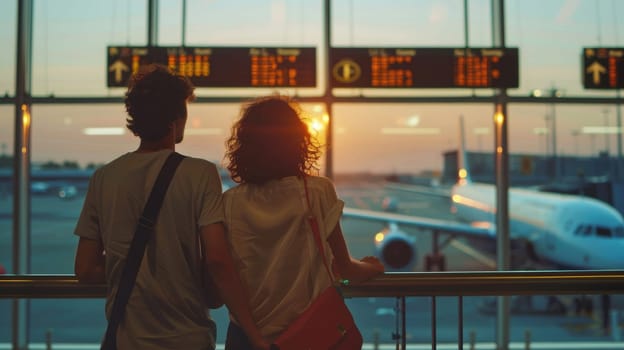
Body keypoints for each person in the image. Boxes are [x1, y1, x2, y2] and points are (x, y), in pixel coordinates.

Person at [73, 64, 269, 350]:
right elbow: (216, 260)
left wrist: (135, 269)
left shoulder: (104, 177)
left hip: (127, 340)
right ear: (175, 120)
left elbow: (85, 269)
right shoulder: (200, 174)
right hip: (187, 338)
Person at [222, 94, 385, 348]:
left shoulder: (230, 202)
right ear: (297, 141)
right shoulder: (317, 192)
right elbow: (345, 269)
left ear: (244, 145)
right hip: (311, 334)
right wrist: (372, 268)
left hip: (249, 338)